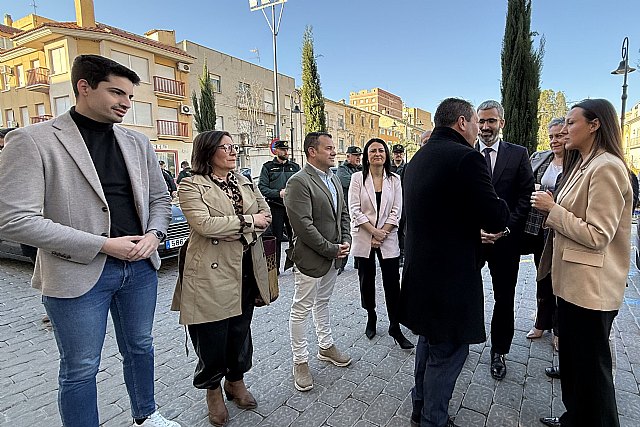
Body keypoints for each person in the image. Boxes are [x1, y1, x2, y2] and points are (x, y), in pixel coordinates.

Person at [0, 54, 177, 427]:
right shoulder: (32, 140)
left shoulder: (137, 142)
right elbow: (14, 220)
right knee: (81, 366)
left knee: (141, 347)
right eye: (116, 92)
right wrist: (103, 245)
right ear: (83, 87)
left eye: (129, 96)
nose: (126, 103)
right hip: (75, 273)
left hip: (140, 268)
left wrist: (155, 234)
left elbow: (160, 200)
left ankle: (146, 415)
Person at [398, 98, 510, 427]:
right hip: (450, 280)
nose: (478, 129)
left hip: (421, 274)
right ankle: (433, 419)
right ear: (462, 122)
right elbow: (495, 215)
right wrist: (500, 208)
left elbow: (441, 212)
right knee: (448, 352)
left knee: (428, 342)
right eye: (475, 122)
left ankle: (420, 408)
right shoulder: (467, 158)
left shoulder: (419, 158)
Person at [533, 99, 632, 427]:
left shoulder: (607, 167)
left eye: (571, 122)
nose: (564, 129)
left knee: (592, 375)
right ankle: (574, 419)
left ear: (594, 125)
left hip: (591, 289)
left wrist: (552, 210)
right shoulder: (584, 164)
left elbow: (598, 235)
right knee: (574, 366)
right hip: (571, 285)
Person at [171, 130, 272, 427]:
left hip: (245, 266)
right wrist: (248, 222)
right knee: (212, 335)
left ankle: (235, 380)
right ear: (208, 152)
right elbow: (204, 225)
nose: (232, 151)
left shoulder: (244, 181)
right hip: (209, 271)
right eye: (225, 147)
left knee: (240, 330)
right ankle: (212, 389)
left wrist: (236, 227)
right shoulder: (191, 184)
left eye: (233, 146)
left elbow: (266, 214)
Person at [284, 132, 352, 392]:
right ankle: (300, 361)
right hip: (312, 258)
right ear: (312, 152)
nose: (334, 152)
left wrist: (346, 240)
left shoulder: (333, 178)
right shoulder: (298, 181)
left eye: (334, 148)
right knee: (301, 309)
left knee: (322, 303)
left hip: (334, 256)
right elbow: (303, 226)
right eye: (329, 148)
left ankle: (325, 346)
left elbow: (342, 213)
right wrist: (331, 249)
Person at [476, 100, 535, 381]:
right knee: (465, 290)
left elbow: (526, 195)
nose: (485, 127)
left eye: (491, 121)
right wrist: (473, 229)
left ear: (502, 123)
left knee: (504, 298)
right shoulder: (465, 152)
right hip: (473, 240)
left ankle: (499, 351)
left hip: (506, 242)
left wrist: (507, 228)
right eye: (481, 121)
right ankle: (462, 339)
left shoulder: (518, 154)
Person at [348, 138, 413, 348]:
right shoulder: (357, 178)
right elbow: (354, 209)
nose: (377, 154)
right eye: (373, 151)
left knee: (392, 283)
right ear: (367, 156)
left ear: (386, 154)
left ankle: (395, 325)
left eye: (381, 150)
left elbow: (397, 210)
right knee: (366, 280)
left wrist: (381, 233)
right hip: (364, 236)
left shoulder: (394, 179)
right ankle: (371, 315)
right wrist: (373, 232)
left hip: (388, 236)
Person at [524, 118, 566, 342]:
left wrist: (552, 201)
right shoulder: (540, 157)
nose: (554, 140)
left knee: (561, 280)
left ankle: (559, 330)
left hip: (563, 228)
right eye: (551, 136)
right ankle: (541, 323)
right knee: (542, 276)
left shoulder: (579, 162)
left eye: (559, 135)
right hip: (538, 229)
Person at [258, 139, 300, 273]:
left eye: (287, 149)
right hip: (275, 206)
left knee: (296, 237)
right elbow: (262, 188)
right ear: (275, 151)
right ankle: (274, 268)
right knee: (276, 238)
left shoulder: (294, 167)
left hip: (292, 207)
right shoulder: (268, 167)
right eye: (282, 150)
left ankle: (295, 264)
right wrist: (278, 193)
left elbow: (302, 185)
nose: (285, 152)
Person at [336, 145, 363, 273]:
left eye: (359, 156)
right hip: (347, 208)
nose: (358, 158)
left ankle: (359, 261)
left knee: (361, 235)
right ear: (348, 156)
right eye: (355, 155)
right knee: (345, 234)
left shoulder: (362, 168)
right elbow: (347, 182)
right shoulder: (342, 169)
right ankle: (341, 264)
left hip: (361, 207)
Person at [390, 144, 407, 265]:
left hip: (403, 201)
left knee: (402, 230)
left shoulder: (407, 167)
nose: (398, 155)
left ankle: (401, 254)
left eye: (400, 153)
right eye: (396, 153)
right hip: (390, 201)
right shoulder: (388, 167)